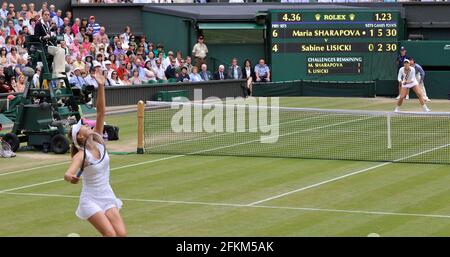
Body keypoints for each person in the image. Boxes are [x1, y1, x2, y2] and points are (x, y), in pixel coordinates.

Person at [65, 70, 126, 237]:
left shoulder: (97, 139)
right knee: (110, 235)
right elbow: (68, 174)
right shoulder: (80, 155)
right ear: (80, 136)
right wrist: (72, 178)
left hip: (107, 195)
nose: (86, 124)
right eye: (83, 125)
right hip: (90, 200)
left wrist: (101, 86)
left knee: (121, 235)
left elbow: (101, 112)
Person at [35, 10, 66, 77]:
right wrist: (44, 37)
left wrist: (61, 40)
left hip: (49, 46)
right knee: (59, 51)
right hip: (43, 48)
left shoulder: (48, 25)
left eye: (48, 15)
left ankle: (57, 72)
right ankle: (57, 73)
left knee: (62, 50)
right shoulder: (38, 24)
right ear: (42, 15)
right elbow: (36, 37)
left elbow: (53, 37)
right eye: (45, 14)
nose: (47, 16)